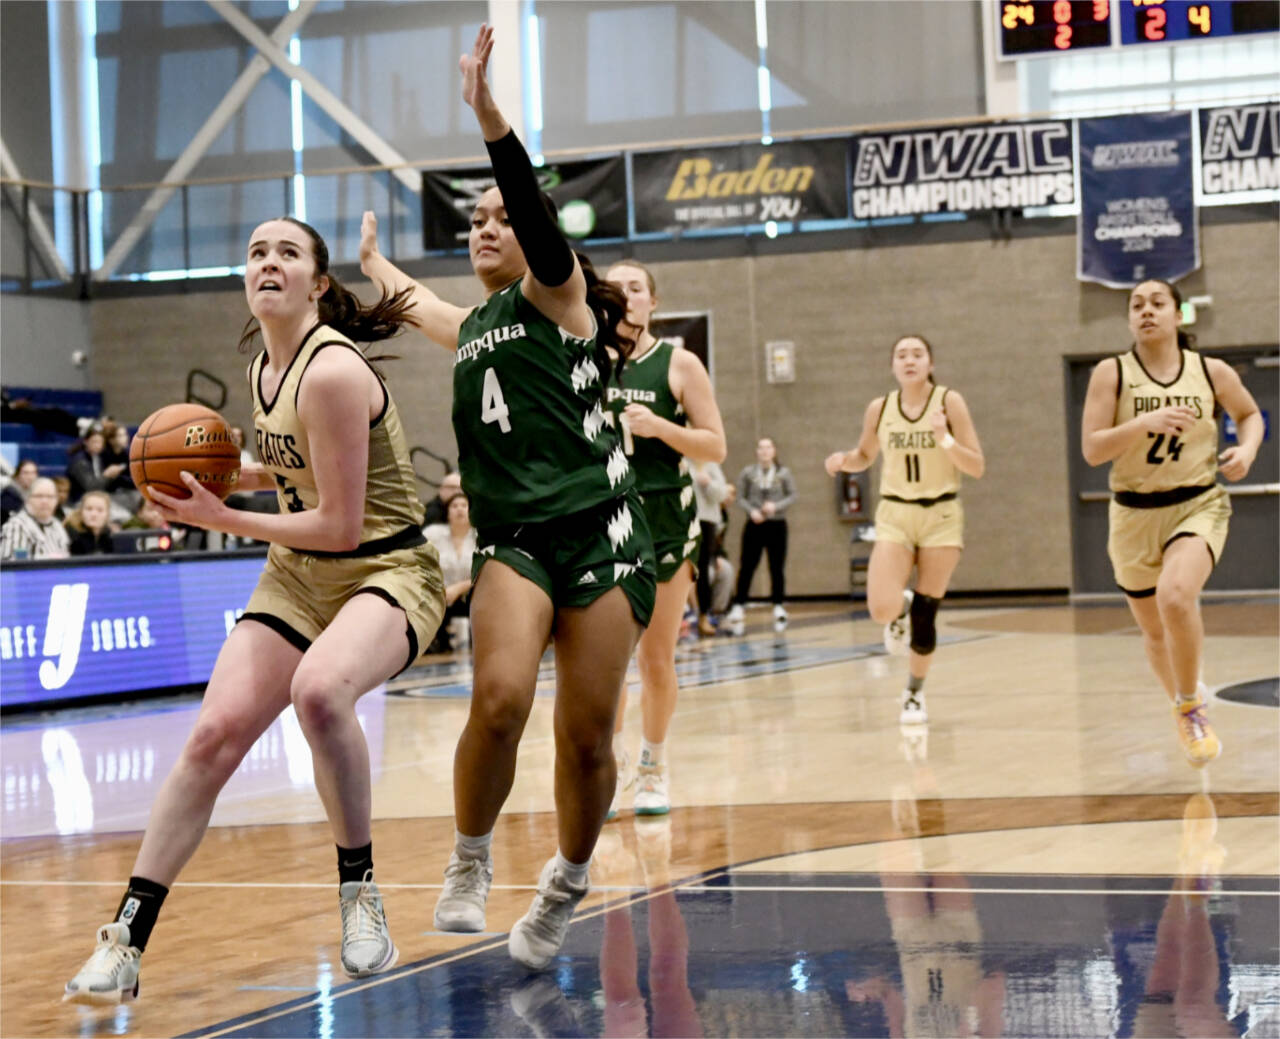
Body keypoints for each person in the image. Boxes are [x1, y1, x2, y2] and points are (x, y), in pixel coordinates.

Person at [62, 215, 446, 1004]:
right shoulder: (264, 369)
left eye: (287, 252)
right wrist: (226, 479)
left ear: (319, 283)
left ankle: (359, 891)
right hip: (298, 576)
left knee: (319, 691)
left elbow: (342, 521)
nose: (268, 261)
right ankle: (126, 938)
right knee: (210, 736)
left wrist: (223, 519)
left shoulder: (332, 370)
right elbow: (295, 475)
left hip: (388, 567)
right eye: (256, 252)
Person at [358, 24, 656, 971]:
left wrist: (490, 120)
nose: (487, 226)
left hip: (606, 530)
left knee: (587, 736)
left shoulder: (558, 295)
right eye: (474, 220)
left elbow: (530, 207)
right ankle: (470, 858)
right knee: (497, 698)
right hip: (516, 537)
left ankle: (565, 886)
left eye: (499, 216)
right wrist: (366, 268)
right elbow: (418, 305)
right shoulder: (474, 322)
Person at [1080, 279, 1261, 766]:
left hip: (1197, 503)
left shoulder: (1211, 371)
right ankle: (1185, 697)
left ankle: (1189, 709)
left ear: (1177, 315)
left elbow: (1249, 415)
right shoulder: (1110, 373)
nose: (1146, 311)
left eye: (1158, 303)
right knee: (1155, 633)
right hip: (1133, 515)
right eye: (1136, 304)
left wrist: (1246, 448)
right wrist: (1143, 423)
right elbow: (1093, 449)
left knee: (1176, 597)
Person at [603, 261, 726, 818]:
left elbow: (714, 446)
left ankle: (654, 764)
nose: (626, 296)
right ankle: (609, 761)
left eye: (636, 288)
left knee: (655, 657)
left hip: (665, 518)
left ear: (652, 302)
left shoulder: (679, 362)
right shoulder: (585, 362)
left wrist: (662, 428)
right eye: (616, 288)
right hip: (604, 519)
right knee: (604, 661)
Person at [825, 335, 984, 727]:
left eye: (917, 354)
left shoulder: (949, 402)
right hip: (895, 511)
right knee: (881, 607)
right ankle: (903, 607)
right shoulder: (880, 409)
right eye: (901, 355)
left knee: (928, 615)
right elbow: (865, 455)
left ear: (930, 363)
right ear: (892, 366)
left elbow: (976, 465)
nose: (909, 360)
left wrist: (944, 438)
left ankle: (913, 691)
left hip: (941, 514)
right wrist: (845, 460)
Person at [725, 437, 796, 636]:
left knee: (776, 566)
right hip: (754, 524)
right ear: (757, 452)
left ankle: (778, 604)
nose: (765, 451)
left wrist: (776, 506)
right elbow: (740, 497)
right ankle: (739, 604)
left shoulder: (784, 473)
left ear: (774, 451)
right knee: (747, 565)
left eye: (768, 448)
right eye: (761, 448)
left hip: (777, 524)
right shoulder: (748, 473)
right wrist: (751, 511)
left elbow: (792, 495)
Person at [424, 490, 477, 651]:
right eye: (454, 506)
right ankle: (432, 643)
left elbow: (486, 571)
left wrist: (460, 587)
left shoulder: (480, 536)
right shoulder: (432, 534)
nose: (460, 509)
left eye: (464, 505)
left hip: (472, 592)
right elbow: (420, 562)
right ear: (448, 513)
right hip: (439, 592)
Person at [689, 458, 729, 637]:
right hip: (683, 520)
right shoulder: (680, 460)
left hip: (706, 521)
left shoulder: (710, 464)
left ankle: (704, 615)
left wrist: (709, 484)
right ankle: (684, 615)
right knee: (681, 569)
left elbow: (722, 494)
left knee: (703, 569)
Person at [0, 476, 70, 560]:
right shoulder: (17, 525)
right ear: (28, 498)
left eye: (50, 497)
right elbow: (14, 564)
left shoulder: (57, 526)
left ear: (56, 500)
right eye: (39, 496)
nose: (45, 501)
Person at [66, 428, 127, 505]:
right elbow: (91, 487)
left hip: (96, 497)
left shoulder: (97, 457)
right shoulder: (80, 461)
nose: (98, 445)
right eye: (95, 442)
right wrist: (107, 475)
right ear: (86, 442)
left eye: (100, 442)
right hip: (80, 500)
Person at [66, 489, 116, 555]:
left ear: (107, 514)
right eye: (89, 509)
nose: (93, 514)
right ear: (81, 512)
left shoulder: (111, 537)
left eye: (100, 510)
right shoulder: (72, 536)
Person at [1, 458, 39, 526]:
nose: (30, 477)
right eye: (26, 473)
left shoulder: (38, 494)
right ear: (17, 475)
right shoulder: (8, 498)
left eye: (33, 473)